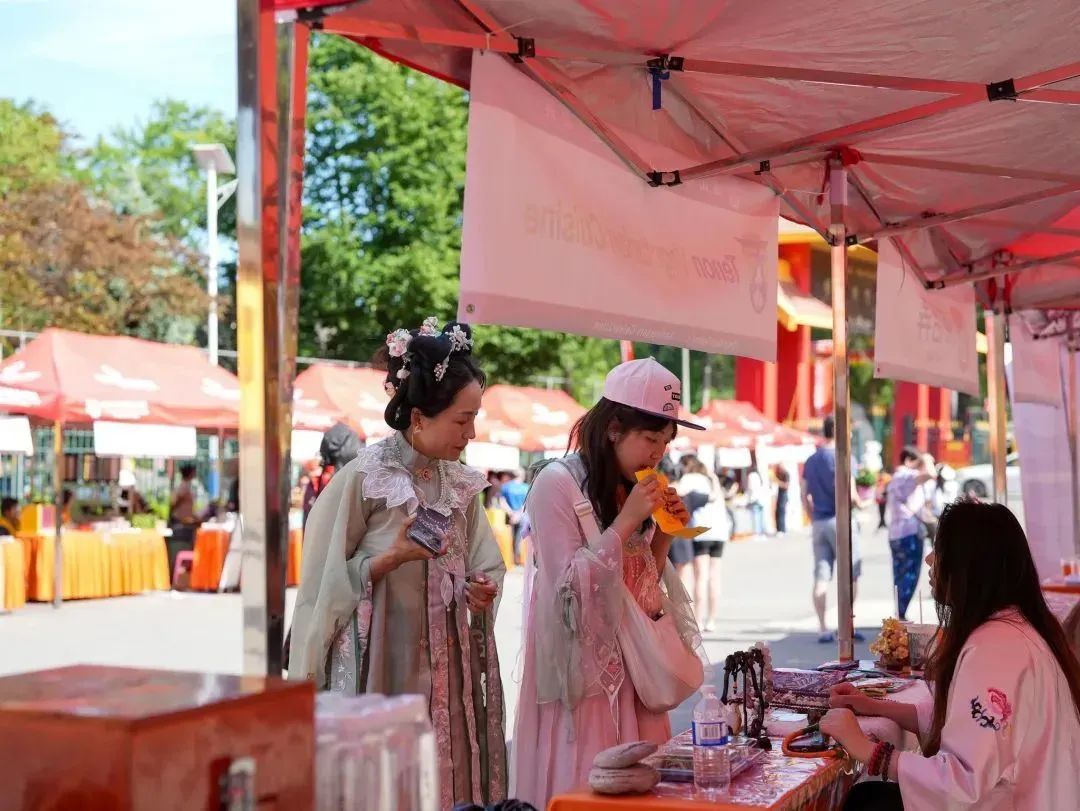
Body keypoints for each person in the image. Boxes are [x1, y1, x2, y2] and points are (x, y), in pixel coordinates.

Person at [288, 319, 506, 810]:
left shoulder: (463, 485)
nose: (471, 434)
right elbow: (322, 581)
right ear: (419, 418)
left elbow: (486, 562)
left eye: (474, 419)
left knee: (446, 772)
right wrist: (389, 559)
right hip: (384, 658)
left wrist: (482, 589)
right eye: (461, 420)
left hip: (448, 661)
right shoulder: (364, 478)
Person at [511, 358, 704, 809]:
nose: (658, 453)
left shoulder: (628, 486)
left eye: (666, 441)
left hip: (637, 675)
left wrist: (663, 535)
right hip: (586, 680)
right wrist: (628, 520)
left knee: (643, 786)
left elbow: (643, 591)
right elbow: (568, 595)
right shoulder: (555, 485)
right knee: (591, 785)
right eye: (650, 438)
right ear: (614, 428)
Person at [821, 500, 1080, 810]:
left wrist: (866, 749)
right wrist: (872, 705)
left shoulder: (995, 648)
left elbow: (961, 784)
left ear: (970, 566)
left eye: (940, 550)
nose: (930, 560)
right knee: (871, 798)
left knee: (867, 802)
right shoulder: (1012, 628)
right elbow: (970, 726)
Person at [801, 415, 866, 644]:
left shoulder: (811, 460)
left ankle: (822, 627)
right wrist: (865, 503)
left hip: (819, 521)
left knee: (821, 575)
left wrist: (812, 517)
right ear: (839, 431)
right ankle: (846, 624)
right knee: (850, 574)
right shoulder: (845, 457)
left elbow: (804, 495)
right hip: (841, 520)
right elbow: (852, 495)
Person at [678, 455, 728, 633]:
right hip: (720, 531)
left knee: (701, 576)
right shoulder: (710, 477)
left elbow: (678, 491)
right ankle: (712, 619)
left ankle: (698, 619)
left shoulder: (690, 478)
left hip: (702, 531)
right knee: (715, 576)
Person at [886, 446, 932, 620]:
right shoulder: (907, 475)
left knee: (899, 574)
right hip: (909, 532)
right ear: (909, 460)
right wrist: (925, 459)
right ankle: (901, 612)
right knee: (911, 573)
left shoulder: (896, 477)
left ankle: (899, 611)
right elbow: (930, 474)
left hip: (895, 533)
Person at [168, 464, 200, 580]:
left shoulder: (186, 486)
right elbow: (175, 502)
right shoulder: (184, 487)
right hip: (181, 521)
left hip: (185, 520)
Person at [500, 469, 529, 565]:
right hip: (522, 516)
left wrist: (511, 513)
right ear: (523, 476)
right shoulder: (526, 487)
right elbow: (526, 504)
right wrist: (518, 514)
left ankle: (510, 559)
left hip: (509, 516)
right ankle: (518, 559)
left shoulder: (505, 487)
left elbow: (502, 502)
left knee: (509, 538)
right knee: (520, 539)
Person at [746, 464, 768, 539]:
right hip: (761, 498)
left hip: (754, 498)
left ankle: (757, 532)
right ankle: (762, 532)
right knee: (761, 516)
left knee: (756, 516)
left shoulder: (751, 476)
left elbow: (751, 487)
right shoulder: (759, 476)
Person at [773, 463, 790, 535]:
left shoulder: (786, 474)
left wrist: (778, 482)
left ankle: (782, 530)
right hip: (779, 494)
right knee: (778, 511)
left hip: (784, 494)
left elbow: (786, 485)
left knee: (781, 511)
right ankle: (779, 529)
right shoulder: (778, 474)